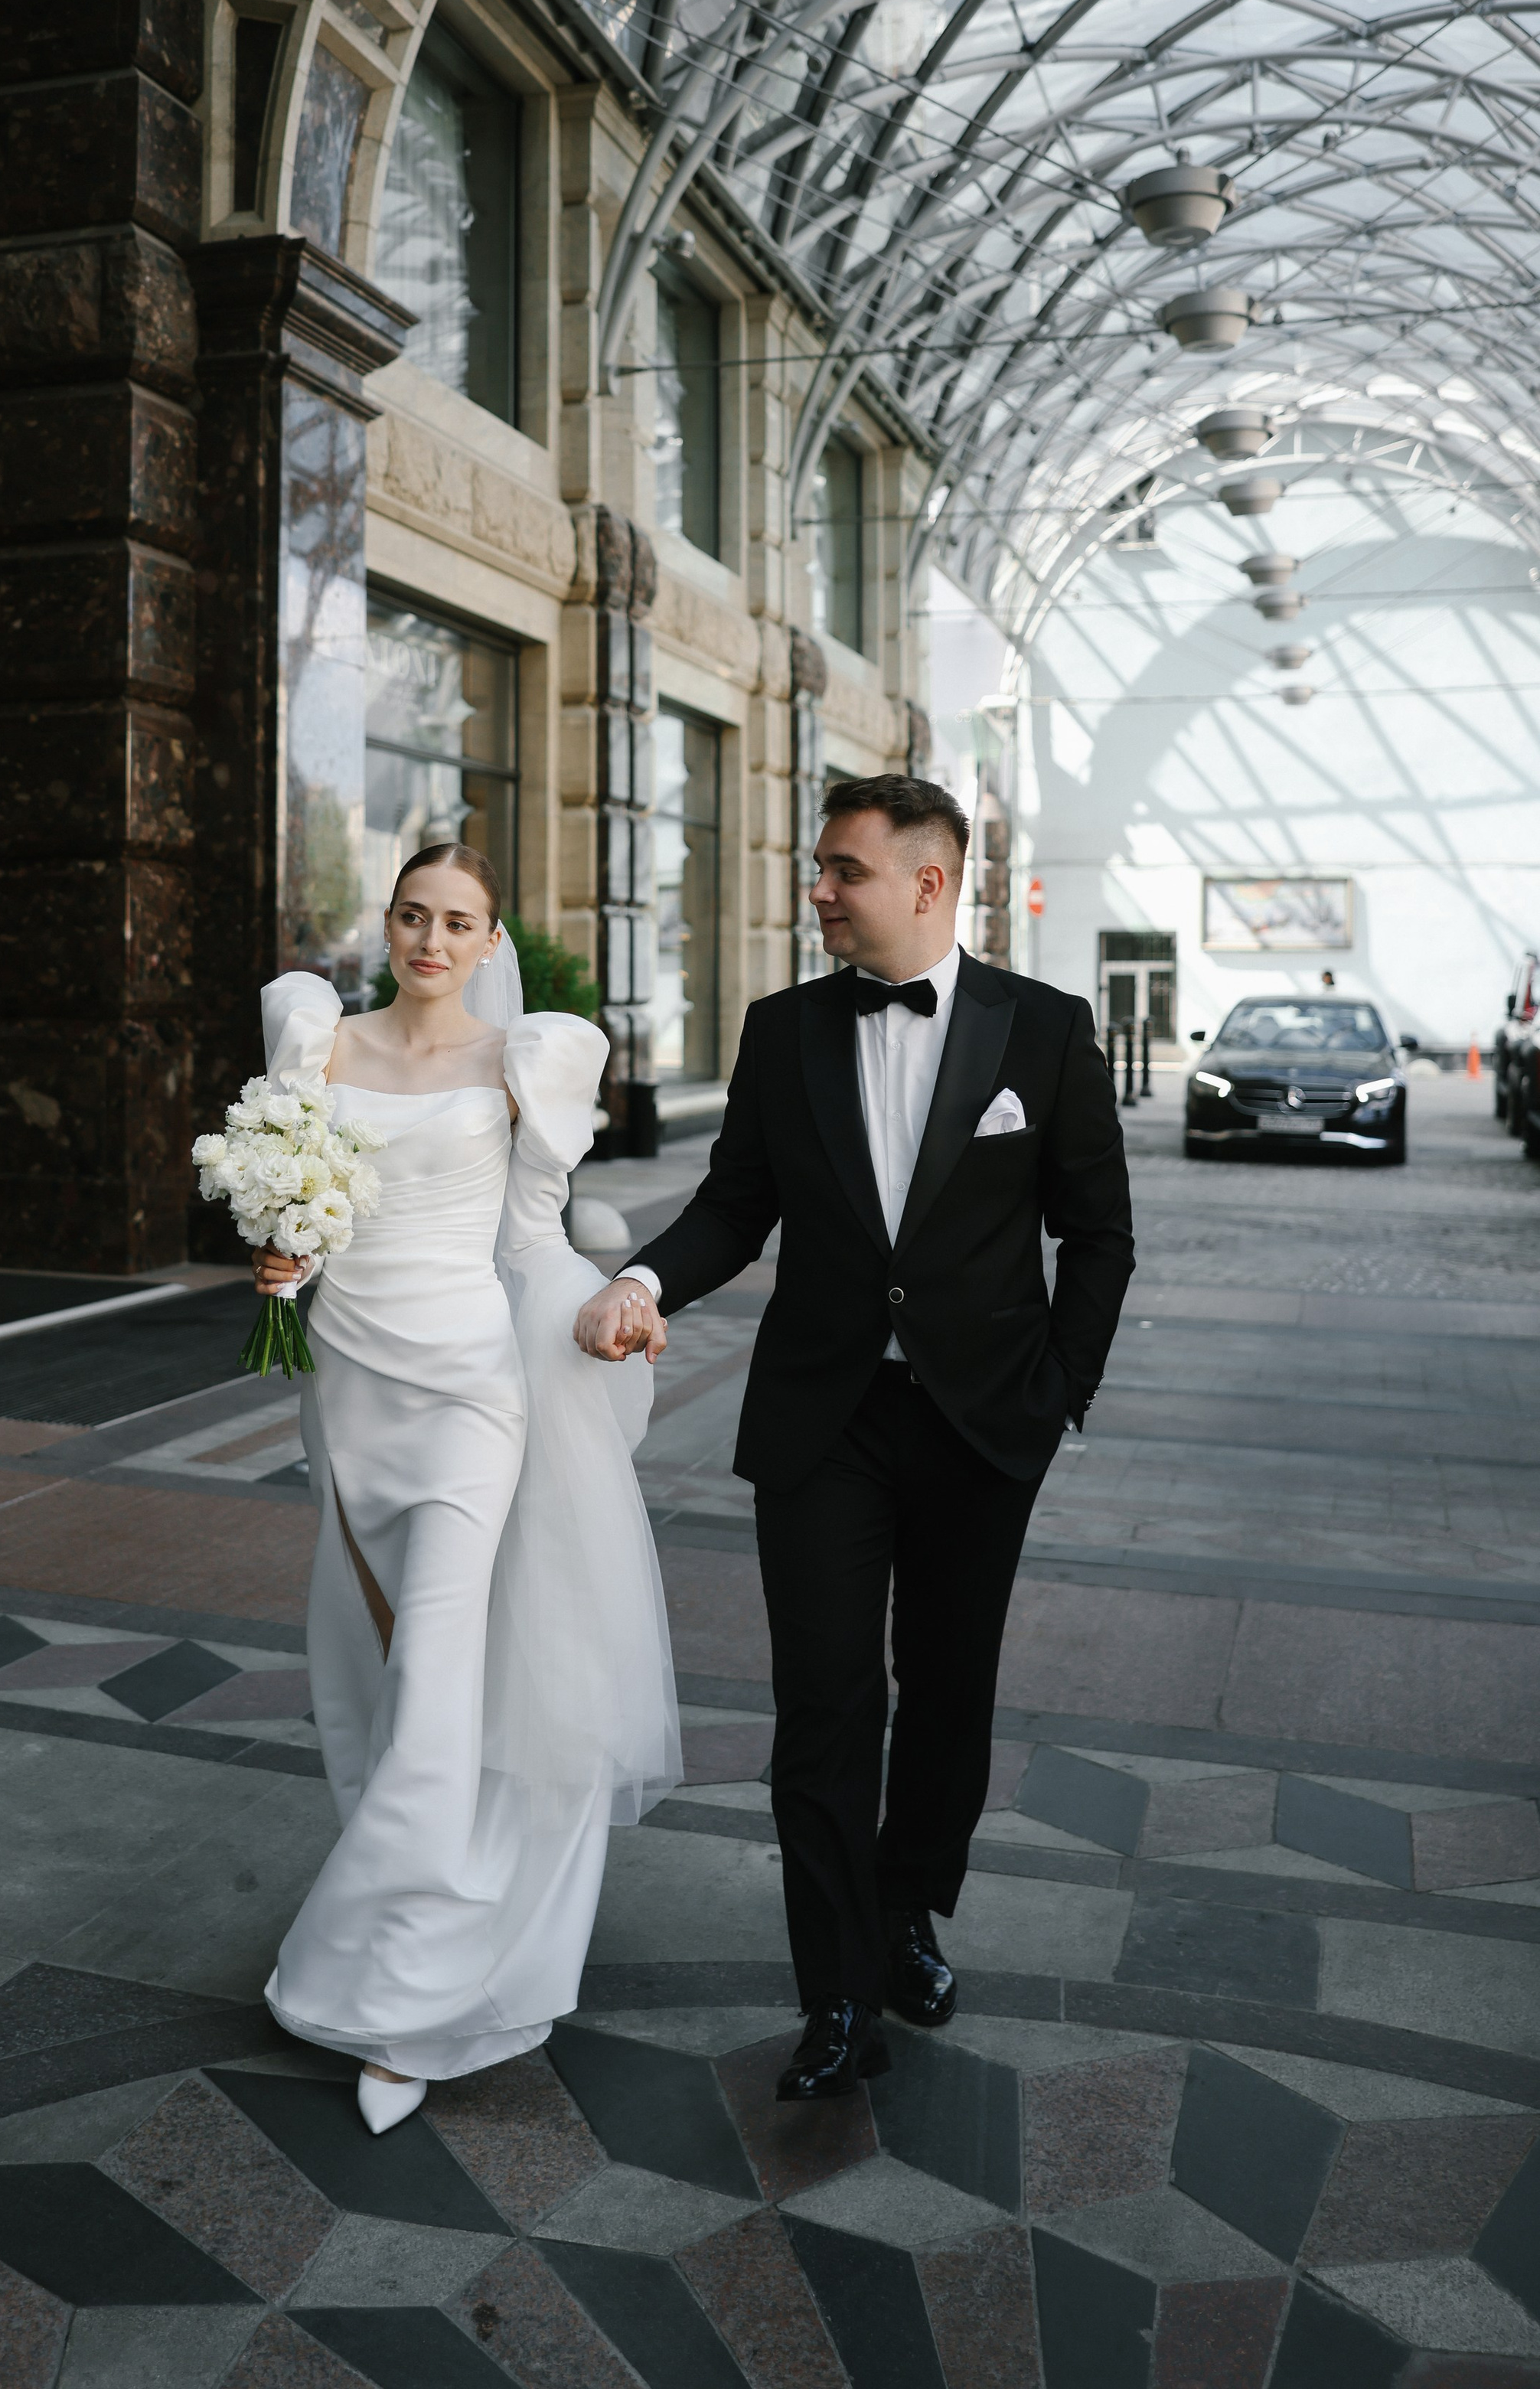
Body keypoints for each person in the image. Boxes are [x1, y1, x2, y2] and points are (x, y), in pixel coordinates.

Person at [576, 775, 1134, 2102]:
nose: (815, 889)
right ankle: (833, 1990)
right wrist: (642, 1283)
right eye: (818, 869)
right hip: (824, 1420)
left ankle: (904, 1914)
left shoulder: (1044, 1031)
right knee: (824, 1706)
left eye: (841, 870)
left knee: (947, 1695)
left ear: (927, 884)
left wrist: (1057, 1392)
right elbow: (735, 1204)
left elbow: (1097, 1231)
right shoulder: (784, 1030)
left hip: (982, 1422)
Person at [253, 844, 680, 2133]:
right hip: (350, 1387)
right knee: (369, 1667)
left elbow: (528, 1238)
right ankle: (422, 1911)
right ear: (385, 923)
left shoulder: (523, 1062)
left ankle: (408, 1997)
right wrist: (279, 1257)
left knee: (439, 1677)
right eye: (412, 914)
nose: (431, 939)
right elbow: (308, 1215)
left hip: (472, 1396)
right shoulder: (315, 1040)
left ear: (492, 940)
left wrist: (612, 1309)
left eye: (458, 922)